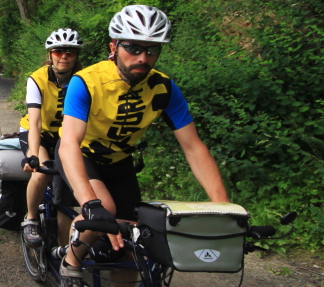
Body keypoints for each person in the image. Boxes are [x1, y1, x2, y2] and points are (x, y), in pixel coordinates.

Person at [54, 5, 231, 286]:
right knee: (105, 210)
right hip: (82, 155)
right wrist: (90, 203)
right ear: (114, 46)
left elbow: (193, 147)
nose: (143, 58)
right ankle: (70, 262)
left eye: (152, 50)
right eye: (134, 48)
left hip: (121, 162)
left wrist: (224, 209)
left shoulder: (164, 88)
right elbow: (69, 144)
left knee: (130, 251)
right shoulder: (86, 81)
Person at [18, 28, 84, 253]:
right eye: (58, 51)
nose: (64, 56)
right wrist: (34, 154)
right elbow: (35, 123)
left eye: (70, 52)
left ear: (76, 55)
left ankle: (64, 251)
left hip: (66, 135)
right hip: (38, 132)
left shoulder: (84, 80)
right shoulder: (37, 79)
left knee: (68, 192)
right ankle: (31, 218)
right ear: (50, 54)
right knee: (42, 171)